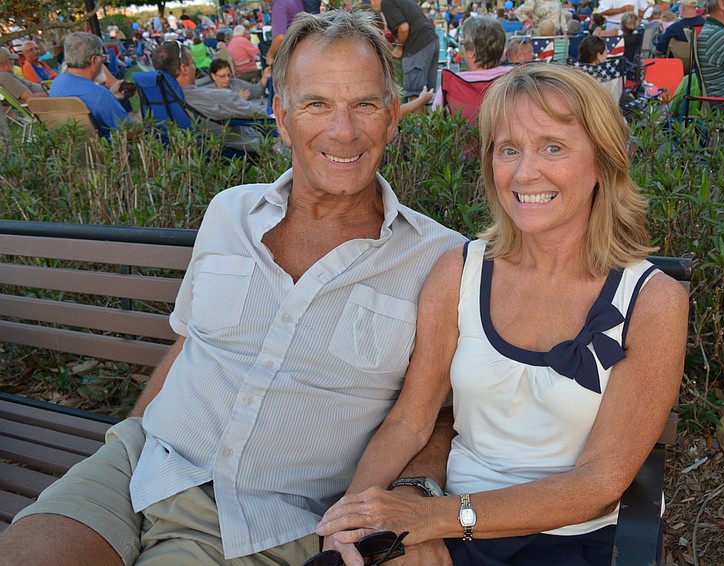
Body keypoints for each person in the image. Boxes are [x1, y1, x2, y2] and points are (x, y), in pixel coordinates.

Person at [0, 9, 466, 565]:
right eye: (317, 104)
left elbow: (441, 412)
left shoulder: (437, 259)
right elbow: (190, 343)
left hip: (258, 522)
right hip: (141, 464)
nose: (343, 130)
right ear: (283, 118)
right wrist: (133, 430)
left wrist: (414, 497)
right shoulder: (230, 213)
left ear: (392, 117)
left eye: (364, 104)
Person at [315, 63, 689, 566]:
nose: (524, 172)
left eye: (552, 147)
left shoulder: (652, 300)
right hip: (449, 532)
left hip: (572, 539)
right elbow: (411, 419)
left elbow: (599, 482)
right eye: (508, 149)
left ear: (602, 162)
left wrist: (439, 517)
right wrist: (353, 516)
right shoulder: (459, 272)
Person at [153, 41, 266, 154]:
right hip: (242, 149)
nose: (194, 68)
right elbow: (262, 116)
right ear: (184, 69)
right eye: (193, 64)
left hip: (195, 154)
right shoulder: (220, 97)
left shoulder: (158, 104)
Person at [48, 32, 136, 138]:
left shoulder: (57, 83)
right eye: (102, 57)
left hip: (71, 145)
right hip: (106, 147)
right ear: (94, 60)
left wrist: (111, 96)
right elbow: (130, 131)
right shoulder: (100, 95)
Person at [431, 16, 513, 109]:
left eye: (463, 44)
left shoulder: (452, 84)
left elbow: (437, 116)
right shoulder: (515, 77)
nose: (462, 47)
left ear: (472, 53)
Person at [370, 0, 440, 99]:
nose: (372, 4)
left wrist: (399, 47)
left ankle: (418, 110)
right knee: (428, 92)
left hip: (416, 46)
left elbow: (403, 28)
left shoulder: (386, 3)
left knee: (415, 92)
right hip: (432, 41)